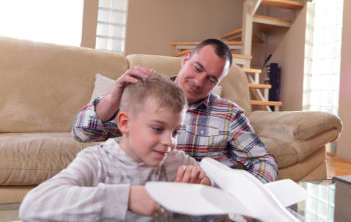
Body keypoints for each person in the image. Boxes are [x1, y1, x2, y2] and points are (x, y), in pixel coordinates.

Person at [72, 38, 278, 183]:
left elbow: (262, 161)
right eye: (197, 68)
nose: (199, 82)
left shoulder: (230, 114)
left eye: (211, 79)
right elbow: (82, 132)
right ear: (185, 60)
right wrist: (113, 97)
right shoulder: (146, 96)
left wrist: (243, 197)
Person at [19, 73, 210, 221]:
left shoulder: (177, 161)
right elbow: (33, 205)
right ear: (125, 123)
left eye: (175, 132)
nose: (170, 142)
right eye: (158, 128)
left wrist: (202, 188)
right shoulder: (97, 161)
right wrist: (126, 198)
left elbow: (216, 185)